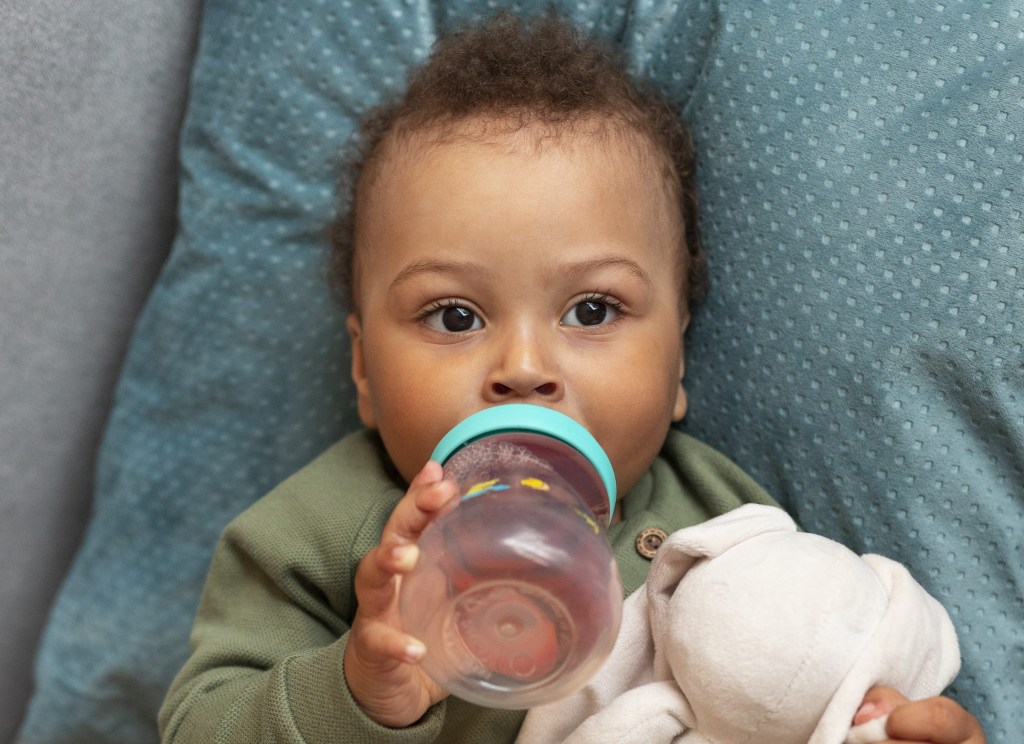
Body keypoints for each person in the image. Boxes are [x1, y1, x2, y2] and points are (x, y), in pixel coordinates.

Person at [158, 13, 984, 744]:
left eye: (592, 310)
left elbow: (811, 679)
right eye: (453, 316)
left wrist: (874, 716)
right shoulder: (320, 536)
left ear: (680, 365)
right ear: (363, 371)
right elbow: (199, 722)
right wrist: (356, 692)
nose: (523, 369)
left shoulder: (731, 522)